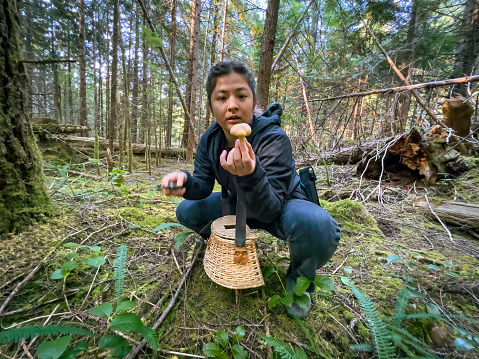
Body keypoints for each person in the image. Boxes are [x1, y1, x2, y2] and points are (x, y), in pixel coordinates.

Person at [161, 60, 340, 318]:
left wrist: (250, 174)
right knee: (187, 210)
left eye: (241, 96)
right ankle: (222, 245)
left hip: (282, 208)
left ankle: (299, 282)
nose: (232, 105)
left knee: (317, 224)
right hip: (237, 204)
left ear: (253, 100)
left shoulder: (273, 138)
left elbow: (271, 209)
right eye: (221, 97)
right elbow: (202, 185)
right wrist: (186, 183)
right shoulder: (210, 140)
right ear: (211, 106)